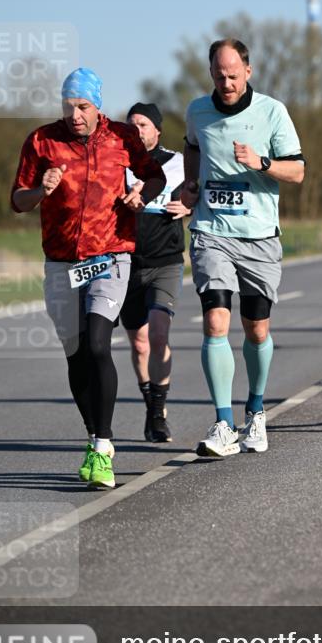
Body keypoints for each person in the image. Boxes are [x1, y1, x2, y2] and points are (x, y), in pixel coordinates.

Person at [11, 68, 166, 488]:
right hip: (61, 262)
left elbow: (155, 175)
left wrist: (142, 194)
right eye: (68, 107)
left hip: (110, 254)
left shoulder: (122, 137)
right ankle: (94, 434)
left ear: (97, 106)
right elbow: (18, 200)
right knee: (76, 354)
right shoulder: (42, 141)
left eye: (82, 107)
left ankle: (103, 444)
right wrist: (41, 190)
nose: (75, 115)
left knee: (98, 342)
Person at [181, 38, 305, 457]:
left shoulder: (272, 112)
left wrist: (262, 163)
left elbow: (298, 171)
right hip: (211, 231)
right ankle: (223, 423)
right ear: (210, 74)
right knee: (216, 321)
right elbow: (192, 146)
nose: (227, 83)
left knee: (257, 329)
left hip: (259, 236)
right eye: (219, 76)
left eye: (233, 76)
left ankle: (255, 410)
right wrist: (191, 184)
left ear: (248, 72)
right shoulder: (198, 111)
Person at [121, 102, 191, 442]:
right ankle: (151, 405)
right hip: (126, 263)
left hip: (166, 261)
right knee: (139, 343)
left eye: (143, 124)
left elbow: (204, 191)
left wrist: (190, 205)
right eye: (131, 124)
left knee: (159, 334)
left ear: (157, 130)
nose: (136, 130)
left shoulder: (179, 163)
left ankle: (159, 413)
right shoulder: (118, 163)